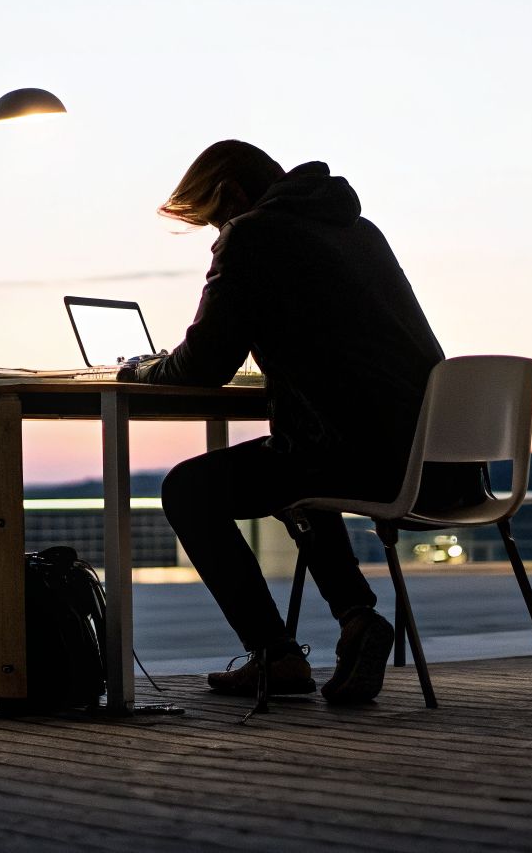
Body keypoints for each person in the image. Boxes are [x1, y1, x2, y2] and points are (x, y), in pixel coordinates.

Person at [118, 140, 484, 704]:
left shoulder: (255, 234)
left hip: (363, 460)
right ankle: (356, 619)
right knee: (292, 469)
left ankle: (276, 654)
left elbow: (205, 364)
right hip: (441, 464)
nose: (218, 232)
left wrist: (140, 370)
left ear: (234, 194)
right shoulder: (359, 232)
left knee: (188, 490)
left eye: (216, 218)